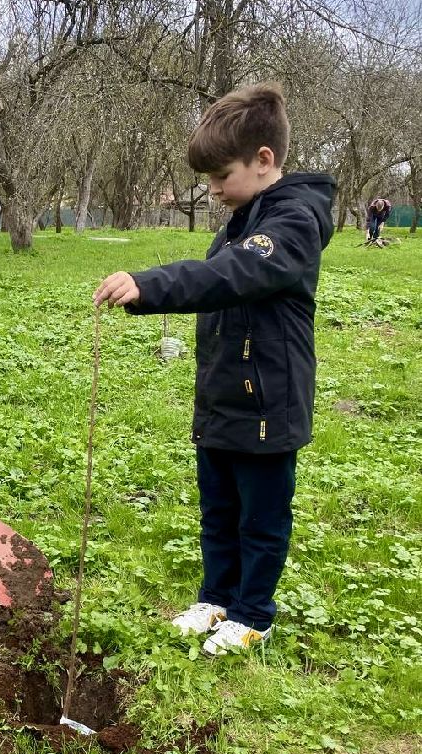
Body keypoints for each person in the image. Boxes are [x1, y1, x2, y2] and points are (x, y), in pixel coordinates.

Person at [94, 83, 336, 655]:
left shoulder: (295, 222)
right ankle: (217, 597)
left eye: (220, 175)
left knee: (261, 517)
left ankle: (254, 613)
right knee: (219, 508)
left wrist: (149, 285)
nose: (212, 190)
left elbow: (232, 277)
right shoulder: (242, 218)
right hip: (223, 400)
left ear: (263, 161)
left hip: (268, 406)